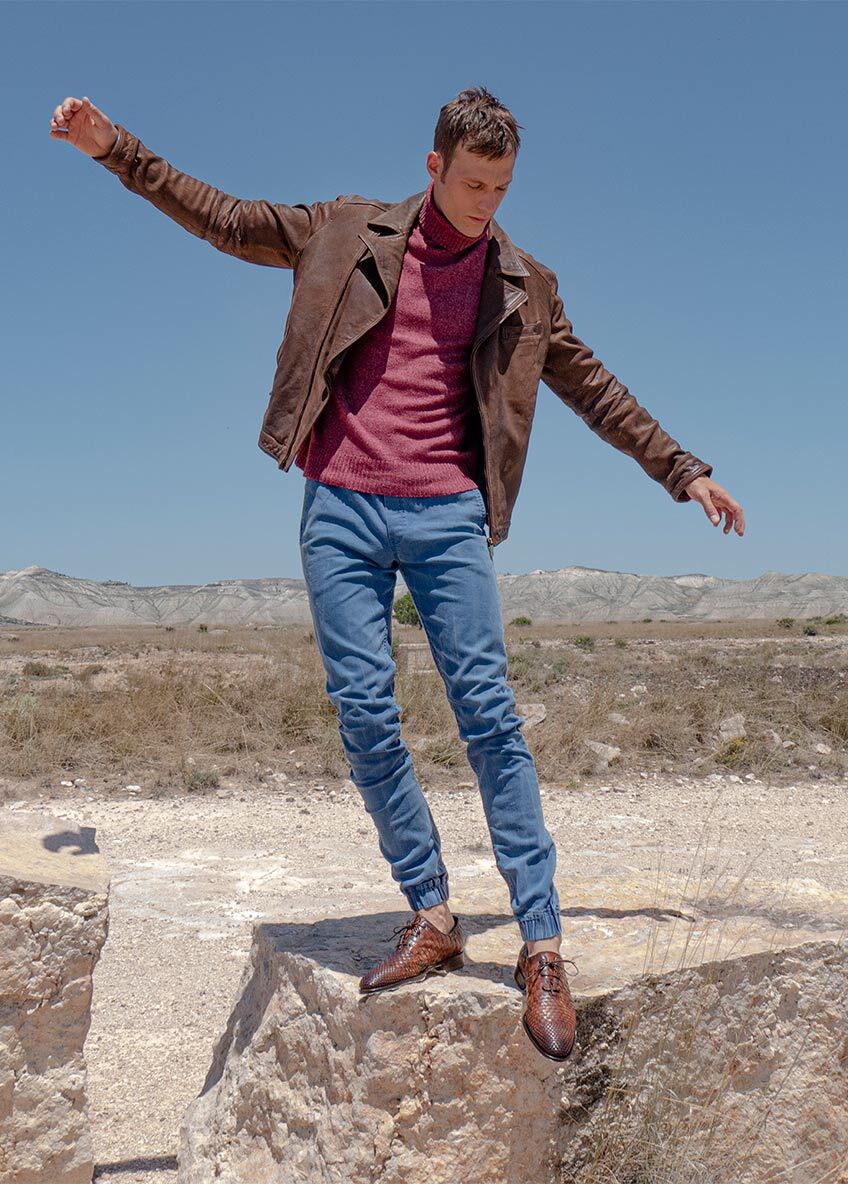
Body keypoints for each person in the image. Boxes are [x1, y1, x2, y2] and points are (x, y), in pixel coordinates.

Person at [50, 87, 745, 1062]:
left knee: (488, 718)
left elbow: (592, 385)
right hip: (340, 505)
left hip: (447, 513)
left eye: (501, 188)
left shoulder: (522, 284)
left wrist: (683, 469)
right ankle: (431, 910)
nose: (486, 203)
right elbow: (226, 219)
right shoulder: (344, 230)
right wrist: (112, 148)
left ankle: (542, 942)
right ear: (432, 167)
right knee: (366, 717)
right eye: (472, 184)